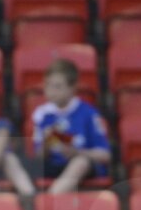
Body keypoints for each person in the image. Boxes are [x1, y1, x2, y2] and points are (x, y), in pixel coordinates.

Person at [31, 58, 112, 195]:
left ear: (72, 88)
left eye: (57, 87)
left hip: (83, 168)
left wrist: (77, 153)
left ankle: (48, 203)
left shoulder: (89, 114)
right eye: (48, 86)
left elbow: (105, 155)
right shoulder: (42, 114)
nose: (51, 91)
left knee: (80, 162)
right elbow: (38, 158)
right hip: (54, 166)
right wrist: (46, 143)